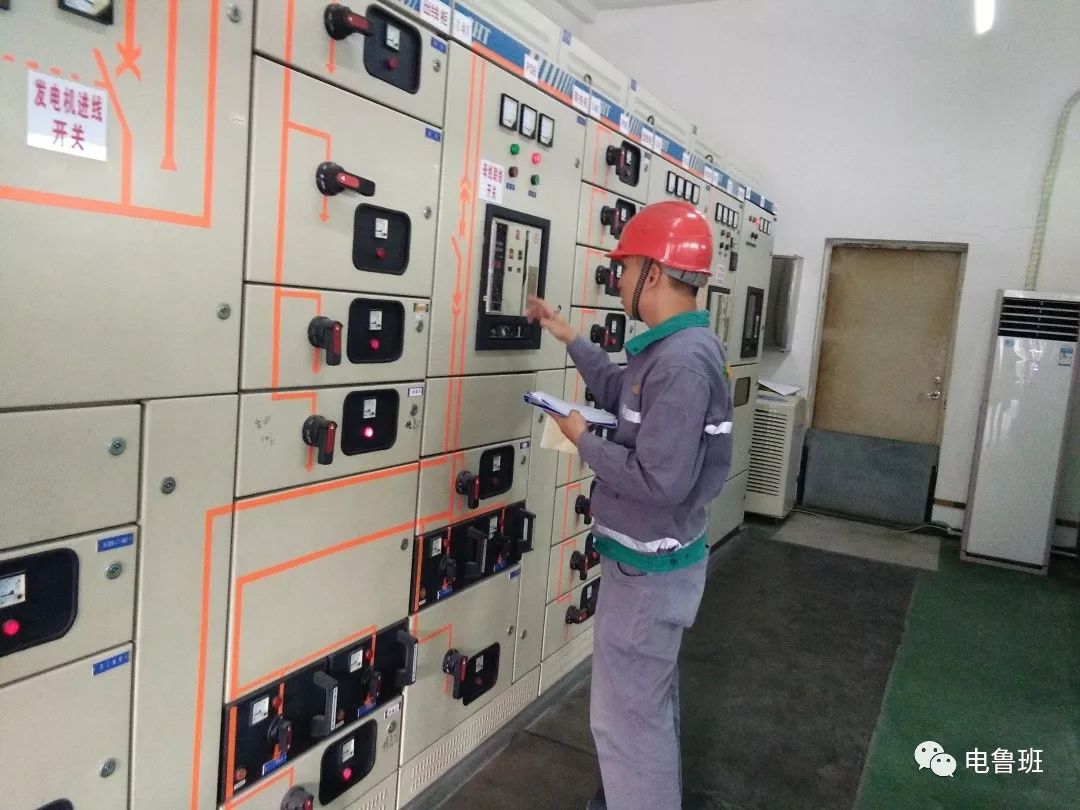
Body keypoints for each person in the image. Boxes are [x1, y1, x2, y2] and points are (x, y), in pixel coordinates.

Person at [525, 200, 734, 810]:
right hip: (648, 565)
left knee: (626, 720)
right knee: (644, 705)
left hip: (649, 574)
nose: (617, 281)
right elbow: (623, 393)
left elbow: (657, 481)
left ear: (654, 272)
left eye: (625, 268)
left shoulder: (683, 363)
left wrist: (582, 439)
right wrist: (569, 336)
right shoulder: (674, 351)